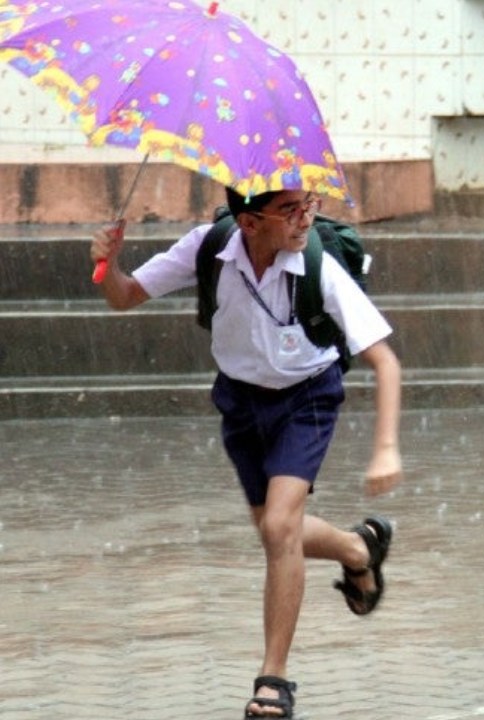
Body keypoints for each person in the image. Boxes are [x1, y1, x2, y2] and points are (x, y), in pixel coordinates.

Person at [90, 187, 404, 718]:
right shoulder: (209, 247)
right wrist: (109, 263)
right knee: (274, 529)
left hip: (306, 398)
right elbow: (124, 296)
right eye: (289, 211)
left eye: (309, 205)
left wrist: (386, 449)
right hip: (240, 401)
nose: (305, 218)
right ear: (250, 223)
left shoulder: (318, 268)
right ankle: (358, 548)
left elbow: (386, 362)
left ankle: (273, 680)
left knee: (280, 527)